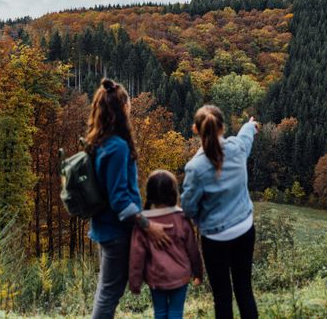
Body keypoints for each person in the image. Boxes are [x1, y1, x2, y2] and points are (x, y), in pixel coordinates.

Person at [86, 78, 172, 319]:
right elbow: (119, 199)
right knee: (109, 293)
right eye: (128, 103)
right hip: (116, 231)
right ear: (122, 108)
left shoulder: (99, 142)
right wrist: (148, 225)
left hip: (105, 226)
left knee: (107, 291)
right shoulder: (117, 147)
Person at [181, 105, 259, 319]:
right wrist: (250, 126)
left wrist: (199, 219)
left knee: (222, 296)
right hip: (244, 229)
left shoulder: (195, 168)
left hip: (215, 238)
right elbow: (245, 137)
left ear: (195, 129)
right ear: (223, 127)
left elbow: (188, 207)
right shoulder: (237, 149)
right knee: (244, 290)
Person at [129, 170, 203, 319]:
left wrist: (135, 281)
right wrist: (198, 272)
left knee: (160, 312)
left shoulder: (143, 224)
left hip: (156, 277)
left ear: (149, 193)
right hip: (180, 275)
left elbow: (137, 255)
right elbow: (193, 249)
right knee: (176, 312)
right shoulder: (181, 218)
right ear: (173, 192)